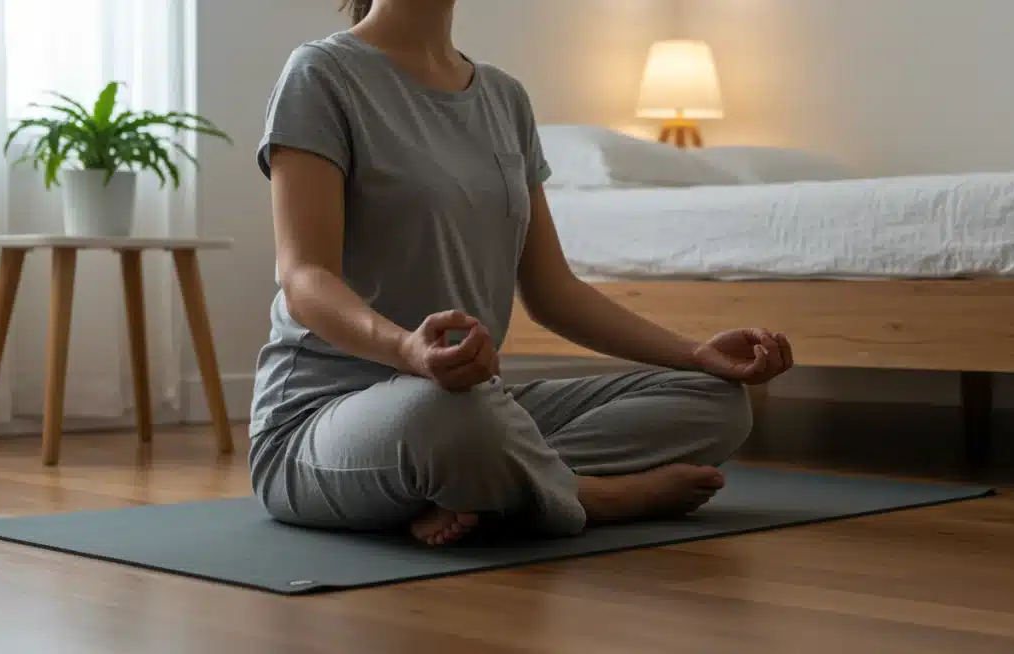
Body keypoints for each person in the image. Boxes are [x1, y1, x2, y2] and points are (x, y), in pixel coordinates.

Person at [249, 0, 794, 546]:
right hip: (320, 422)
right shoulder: (319, 74)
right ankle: (588, 496)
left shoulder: (504, 98)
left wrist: (695, 354)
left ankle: (483, 489)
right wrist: (408, 352)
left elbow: (553, 291)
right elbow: (304, 278)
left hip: (473, 405)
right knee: (450, 417)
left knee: (717, 403)